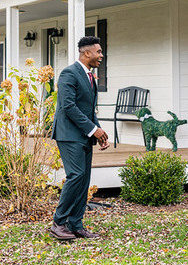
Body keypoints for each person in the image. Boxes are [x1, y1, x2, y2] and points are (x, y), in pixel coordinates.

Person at [49, 36, 110, 241]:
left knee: (83, 180)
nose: (101, 55)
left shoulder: (90, 76)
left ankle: (75, 224)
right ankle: (59, 223)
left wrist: (98, 132)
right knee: (75, 175)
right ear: (86, 53)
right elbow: (69, 107)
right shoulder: (69, 73)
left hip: (84, 134)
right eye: (98, 52)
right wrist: (93, 130)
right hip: (68, 134)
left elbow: (88, 109)